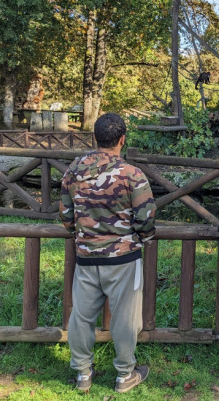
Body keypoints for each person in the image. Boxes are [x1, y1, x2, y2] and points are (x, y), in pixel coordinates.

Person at [59, 113, 156, 393]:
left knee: (82, 317)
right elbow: (146, 217)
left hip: (87, 256)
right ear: (122, 139)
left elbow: (66, 213)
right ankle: (125, 375)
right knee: (125, 318)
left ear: (94, 138)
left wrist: (77, 233)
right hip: (123, 258)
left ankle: (82, 375)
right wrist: (142, 237)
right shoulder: (132, 174)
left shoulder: (74, 169)